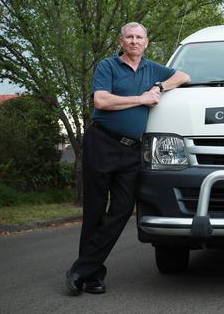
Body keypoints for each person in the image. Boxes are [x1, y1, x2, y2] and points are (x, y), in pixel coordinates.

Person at [65, 22, 190, 295]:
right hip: (102, 142)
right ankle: (93, 276)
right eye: (129, 37)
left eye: (139, 37)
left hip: (132, 150)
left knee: (122, 210)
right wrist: (142, 98)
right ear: (121, 41)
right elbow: (101, 101)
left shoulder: (152, 68)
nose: (134, 41)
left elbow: (184, 76)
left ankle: (81, 269)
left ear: (146, 42)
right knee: (95, 210)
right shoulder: (108, 67)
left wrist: (159, 86)